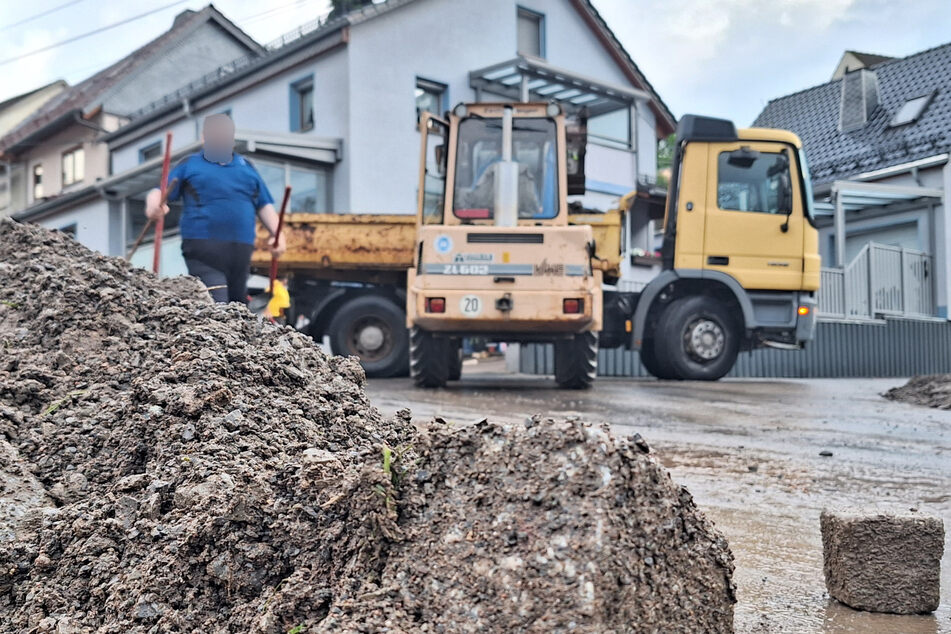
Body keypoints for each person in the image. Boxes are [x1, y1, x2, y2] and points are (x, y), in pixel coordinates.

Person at [144, 113, 286, 304]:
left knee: (238, 310)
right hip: (203, 251)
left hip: (241, 254)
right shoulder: (190, 165)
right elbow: (160, 192)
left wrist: (279, 236)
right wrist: (153, 205)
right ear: (204, 138)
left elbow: (264, 205)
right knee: (217, 305)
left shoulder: (247, 167)